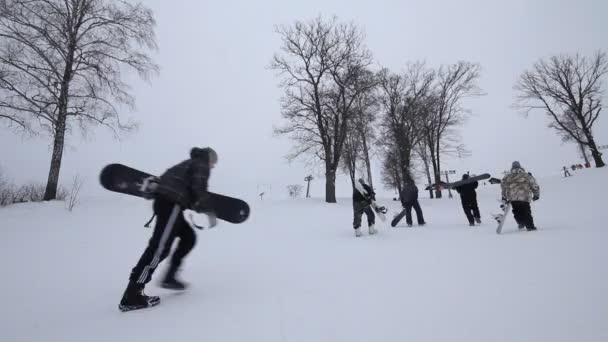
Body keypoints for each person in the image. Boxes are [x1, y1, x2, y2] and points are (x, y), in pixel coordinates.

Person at [118, 147, 219, 312]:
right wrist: (208, 209)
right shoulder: (201, 164)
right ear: (209, 159)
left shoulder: (189, 163)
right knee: (159, 249)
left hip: (169, 204)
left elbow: (181, 186)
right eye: (213, 163)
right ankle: (132, 294)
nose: (213, 167)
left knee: (189, 238)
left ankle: (169, 277)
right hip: (170, 205)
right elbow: (198, 188)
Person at [501, 161, 540, 231]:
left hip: (513, 198)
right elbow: (534, 185)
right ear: (520, 166)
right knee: (526, 211)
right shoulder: (526, 175)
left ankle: (521, 223)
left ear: (512, 167)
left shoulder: (507, 177)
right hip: (524, 197)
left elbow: (504, 187)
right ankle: (530, 226)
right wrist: (536, 194)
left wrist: (504, 197)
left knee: (516, 211)